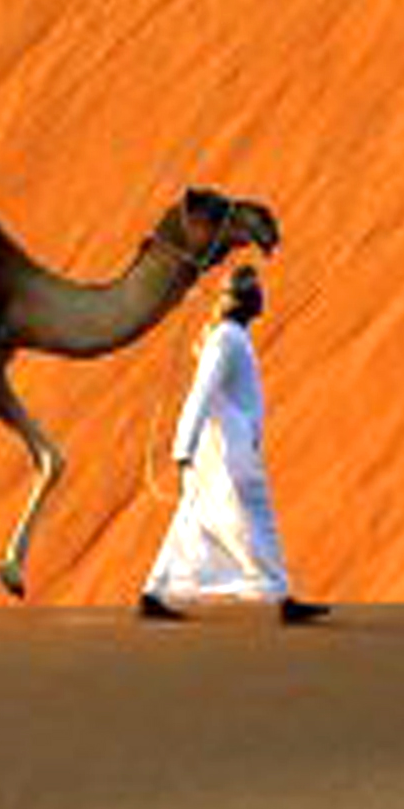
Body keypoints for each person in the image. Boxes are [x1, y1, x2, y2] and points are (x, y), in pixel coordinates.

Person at [139, 262, 326, 625]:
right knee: (256, 517)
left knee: (194, 517)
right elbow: (202, 393)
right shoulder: (225, 338)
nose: (262, 297)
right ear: (241, 301)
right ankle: (282, 598)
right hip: (226, 450)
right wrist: (183, 447)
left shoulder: (233, 336)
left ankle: (155, 591)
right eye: (255, 291)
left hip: (229, 445)